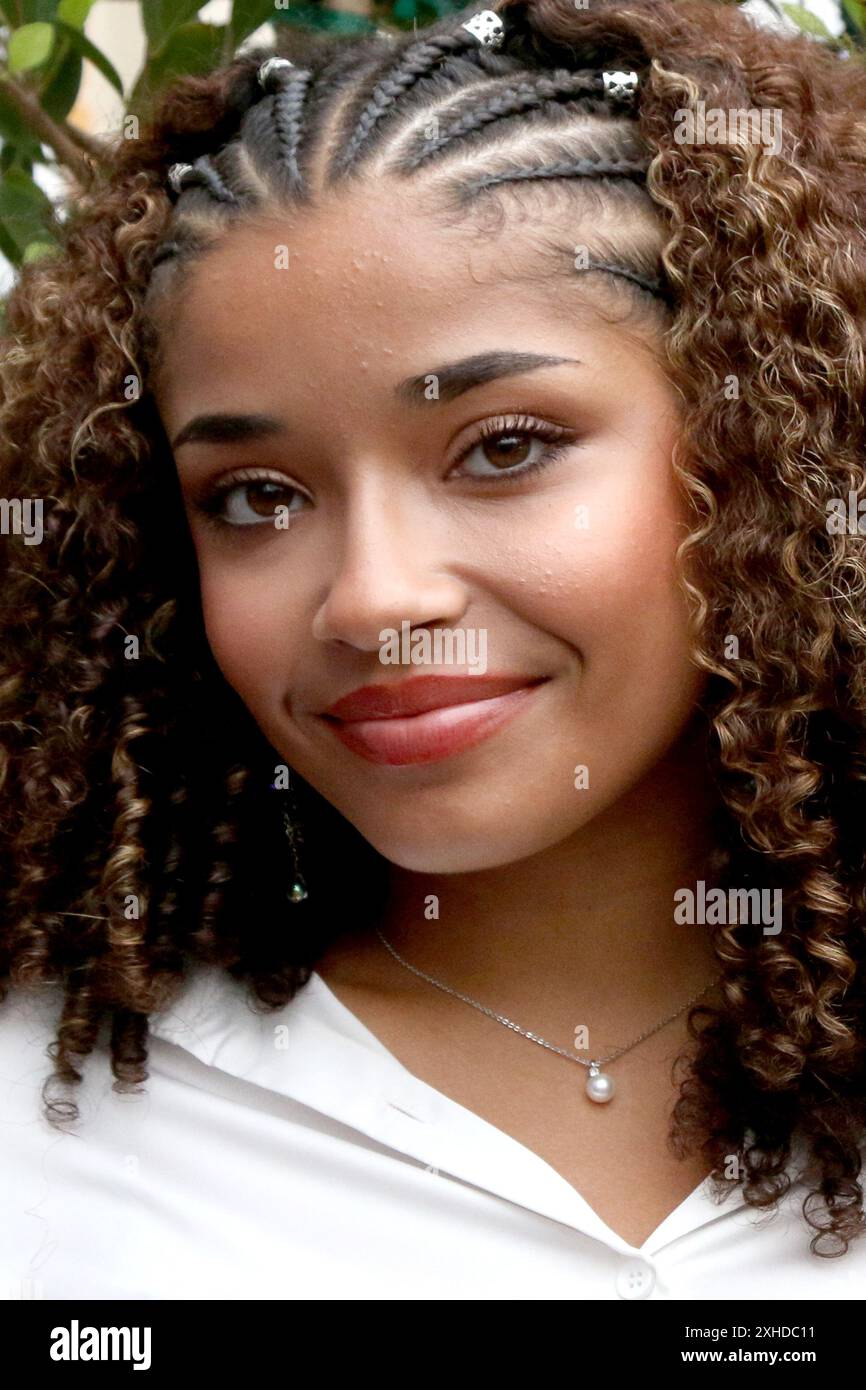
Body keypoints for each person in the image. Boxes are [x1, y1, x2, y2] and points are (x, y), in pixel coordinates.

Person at [2, 0, 866, 1300]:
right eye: (256, 496)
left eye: (503, 448)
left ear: (763, 456)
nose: (370, 598)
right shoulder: (46, 1131)